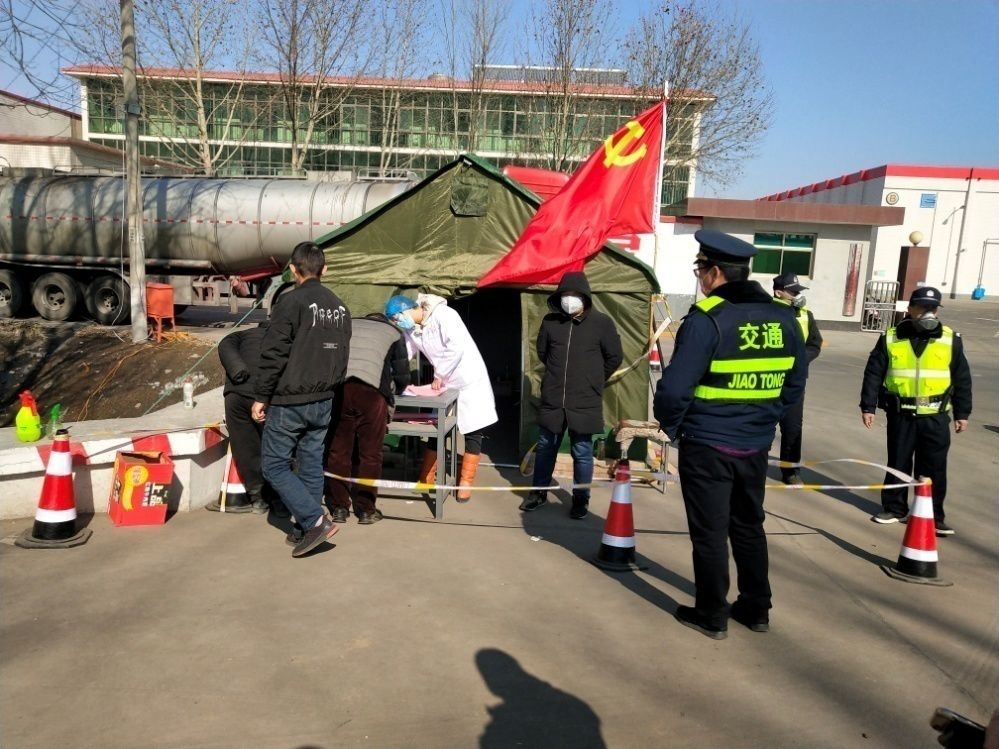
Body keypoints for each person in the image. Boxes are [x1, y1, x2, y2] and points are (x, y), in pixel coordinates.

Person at [653, 229, 807, 639]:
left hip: (707, 444)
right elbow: (794, 385)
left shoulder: (707, 319)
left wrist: (674, 427)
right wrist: (765, 421)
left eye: (700, 270)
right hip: (755, 445)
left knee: (710, 532)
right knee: (749, 525)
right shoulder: (784, 318)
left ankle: (712, 614)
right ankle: (756, 609)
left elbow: (673, 390)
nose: (700, 278)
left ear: (715, 272)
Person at [253, 242, 352, 557]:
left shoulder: (290, 302)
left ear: (293, 270)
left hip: (290, 399)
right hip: (324, 399)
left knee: (274, 465)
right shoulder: (341, 308)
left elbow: (273, 353)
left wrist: (261, 396)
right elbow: (342, 356)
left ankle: (314, 521)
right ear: (325, 269)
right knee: (310, 463)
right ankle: (304, 529)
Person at [860, 286, 972, 536]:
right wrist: (868, 406)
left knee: (933, 468)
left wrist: (962, 413)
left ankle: (932, 515)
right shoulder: (891, 337)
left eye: (933, 308)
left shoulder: (950, 338)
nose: (928, 313)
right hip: (901, 415)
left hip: (935, 416)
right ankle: (894, 508)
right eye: (923, 308)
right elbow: (874, 373)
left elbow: (962, 378)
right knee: (898, 462)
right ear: (910, 309)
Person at [518, 271, 622, 519]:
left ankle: (580, 499)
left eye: (575, 294)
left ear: (585, 297)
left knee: (582, 451)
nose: (569, 298)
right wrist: (557, 375)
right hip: (553, 398)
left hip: (585, 399)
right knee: (546, 447)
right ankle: (538, 493)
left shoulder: (602, 323)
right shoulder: (551, 322)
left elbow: (614, 357)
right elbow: (543, 352)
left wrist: (593, 380)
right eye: (565, 294)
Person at [385, 293, 497, 502]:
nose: (398, 322)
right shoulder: (412, 329)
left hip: (467, 378)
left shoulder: (445, 315)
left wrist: (440, 373)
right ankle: (427, 475)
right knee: (437, 425)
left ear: (407, 309)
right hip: (443, 381)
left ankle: (465, 482)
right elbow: (405, 353)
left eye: (397, 317)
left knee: (473, 428)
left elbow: (456, 346)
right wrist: (391, 372)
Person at [209, 282, 295, 515]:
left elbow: (225, 343)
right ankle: (279, 501)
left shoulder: (243, 335)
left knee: (246, 448)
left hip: (236, 396)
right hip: (266, 398)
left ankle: (257, 498)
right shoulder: (285, 339)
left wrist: (238, 370)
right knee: (276, 448)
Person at [324, 312, 410, 524]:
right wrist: (395, 391)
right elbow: (402, 375)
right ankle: (365, 510)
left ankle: (338, 507)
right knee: (370, 454)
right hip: (372, 393)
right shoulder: (393, 332)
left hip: (341, 390)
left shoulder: (346, 325)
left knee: (338, 451)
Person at [771, 271, 823, 484]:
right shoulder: (764, 313)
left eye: (798, 292)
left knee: (792, 427)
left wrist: (800, 361)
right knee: (762, 423)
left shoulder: (805, 315)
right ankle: (753, 464)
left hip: (795, 381)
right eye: (792, 292)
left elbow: (815, 344)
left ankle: (790, 471)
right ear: (778, 293)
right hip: (768, 380)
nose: (797, 296)